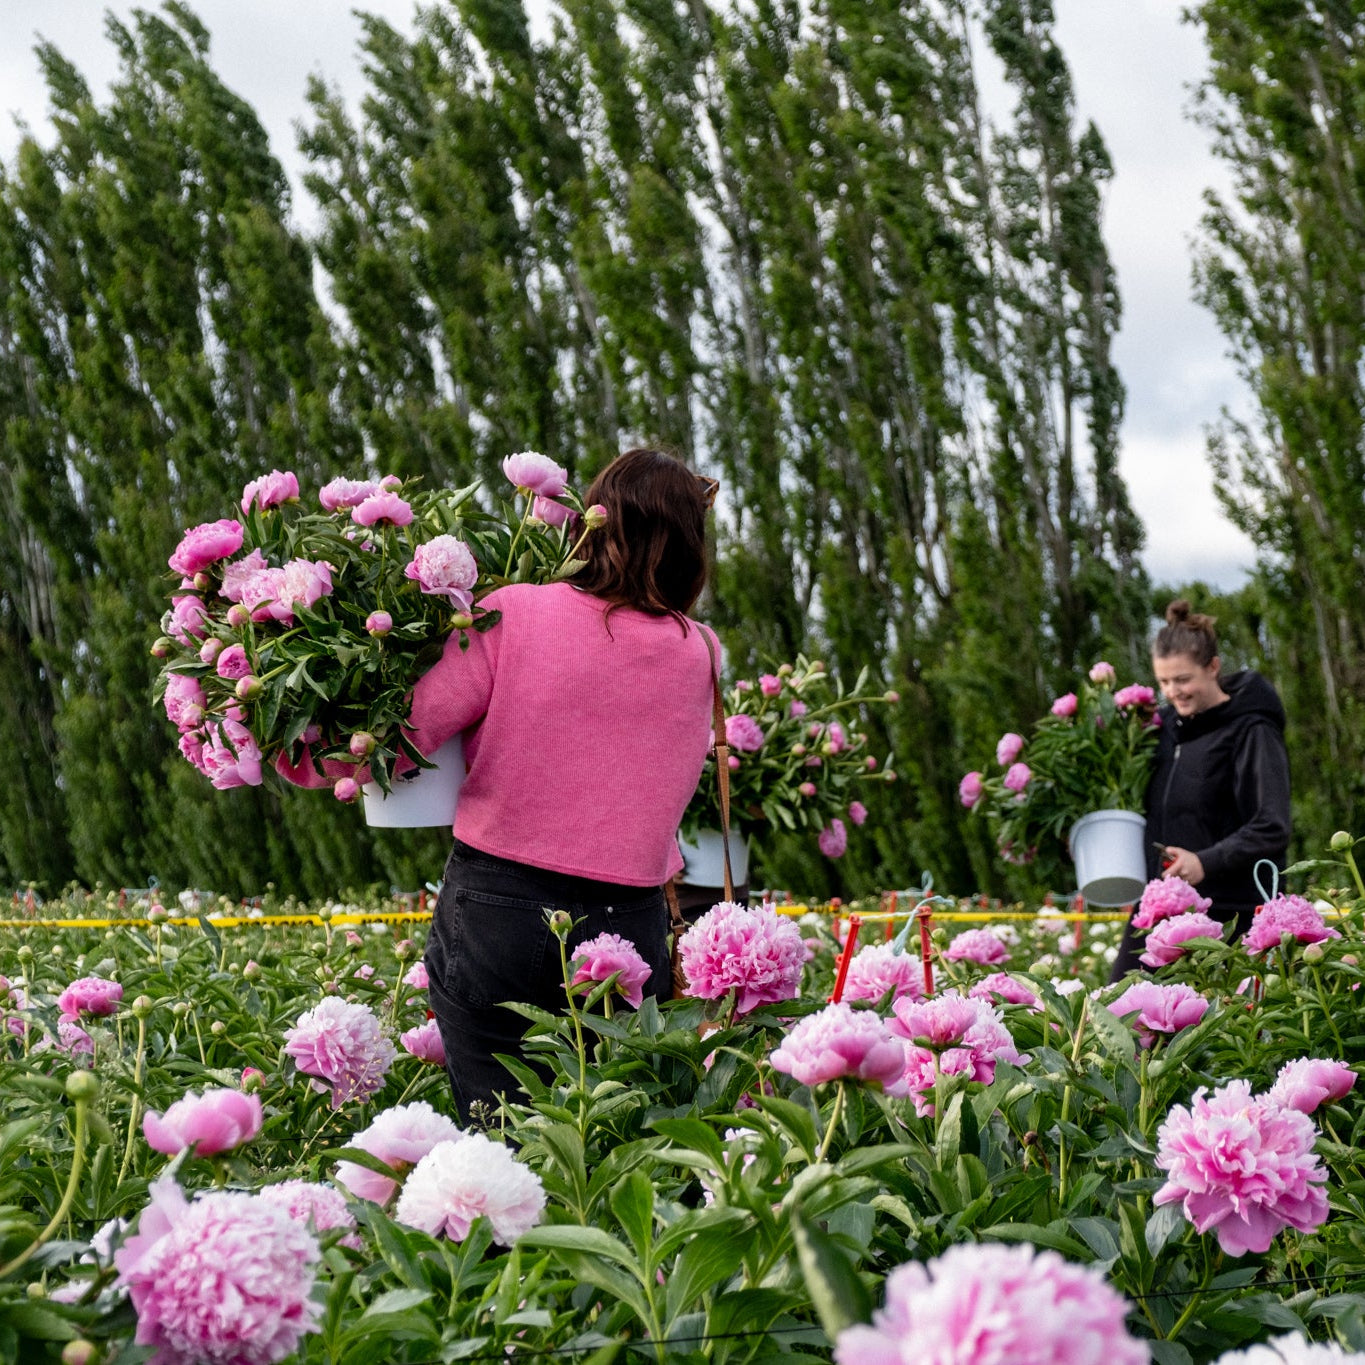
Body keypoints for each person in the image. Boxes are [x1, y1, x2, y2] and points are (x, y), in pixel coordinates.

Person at [405, 449, 719, 1121]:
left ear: (590, 525)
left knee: (497, 1138)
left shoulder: (512, 613)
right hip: (629, 920)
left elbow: (409, 732)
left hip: (500, 910)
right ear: (691, 545)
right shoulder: (701, 651)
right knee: (616, 1143)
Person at [1110, 599, 1291, 979]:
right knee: (1118, 1014)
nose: (1173, 691)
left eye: (1183, 679)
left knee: (1220, 1033)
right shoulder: (1163, 732)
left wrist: (1204, 861)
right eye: (1163, 682)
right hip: (1162, 908)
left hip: (1231, 915)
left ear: (1212, 667)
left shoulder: (1252, 731)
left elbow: (1272, 825)